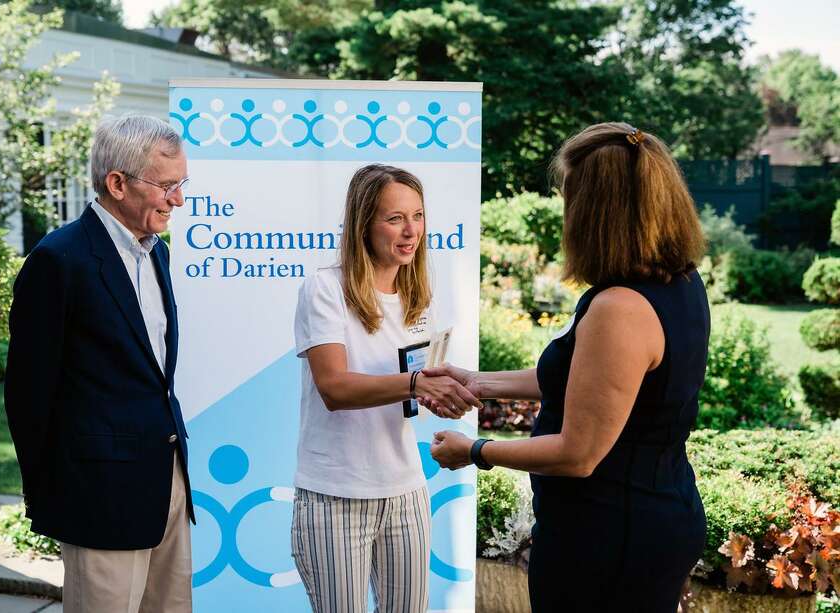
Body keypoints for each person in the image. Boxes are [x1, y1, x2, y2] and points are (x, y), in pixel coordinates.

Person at [428, 122, 709, 611]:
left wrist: (474, 450)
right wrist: (478, 382)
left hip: (609, 536)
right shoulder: (677, 282)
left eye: (568, 199)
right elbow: (592, 384)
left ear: (595, 213)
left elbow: (578, 454)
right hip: (648, 514)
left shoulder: (620, 308)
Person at [4, 115, 193, 613]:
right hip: (99, 496)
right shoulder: (58, 259)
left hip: (168, 481)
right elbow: (27, 393)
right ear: (116, 183)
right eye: (168, 186)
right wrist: (47, 497)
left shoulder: (159, 254)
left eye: (181, 185)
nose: (178, 200)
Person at [291, 164, 482, 613]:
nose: (410, 230)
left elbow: (415, 388)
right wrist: (417, 383)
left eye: (417, 216)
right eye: (394, 218)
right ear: (363, 223)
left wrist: (444, 395)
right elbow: (334, 388)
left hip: (405, 492)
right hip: (335, 495)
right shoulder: (325, 288)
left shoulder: (419, 297)